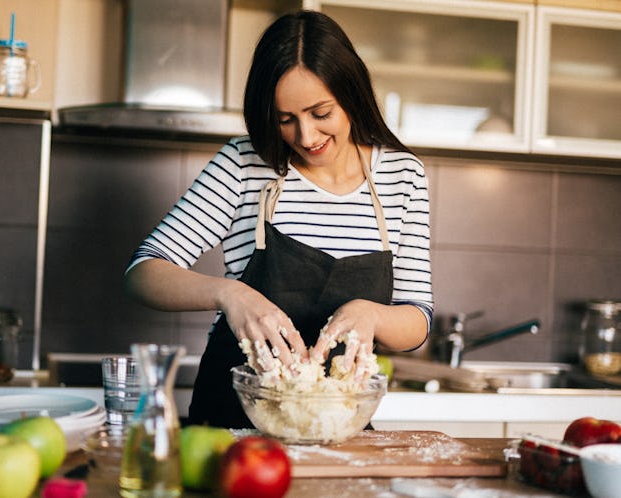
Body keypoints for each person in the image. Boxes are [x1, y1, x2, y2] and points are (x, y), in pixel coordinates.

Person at [124, 10, 433, 428]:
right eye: (285, 119)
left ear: (352, 95)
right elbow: (143, 272)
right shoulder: (244, 164)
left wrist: (372, 314)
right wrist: (230, 294)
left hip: (337, 424)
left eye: (320, 113)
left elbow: (417, 317)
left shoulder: (402, 176)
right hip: (230, 421)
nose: (305, 137)